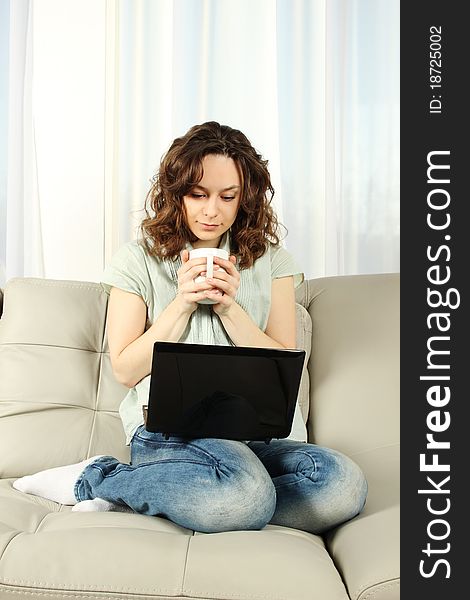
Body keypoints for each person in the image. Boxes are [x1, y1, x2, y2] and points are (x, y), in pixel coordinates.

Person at [13, 121, 367, 534]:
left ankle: (159, 494)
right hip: (170, 436)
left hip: (257, 437)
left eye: (227, 196)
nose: (211, 211)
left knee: (341, 485)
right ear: (176, 193)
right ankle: (100, 478)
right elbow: (125, 369)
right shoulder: (137, 260)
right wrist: (181, 304)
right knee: (244, 495)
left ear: (245, 199)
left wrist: (229, 308)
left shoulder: (272, 261)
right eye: (197, 195)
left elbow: (284, 363)